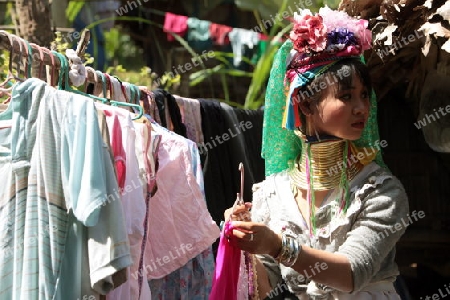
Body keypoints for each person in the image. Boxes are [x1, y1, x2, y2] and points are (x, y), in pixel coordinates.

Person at [224, 7, 409, 300]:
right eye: (346, 96)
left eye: (364, 95)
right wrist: (244, 243)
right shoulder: (271, 194)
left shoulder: (381, 191)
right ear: (305, 105)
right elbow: (266, 289)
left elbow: (352, 273)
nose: (362, 107)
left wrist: (276, 245)